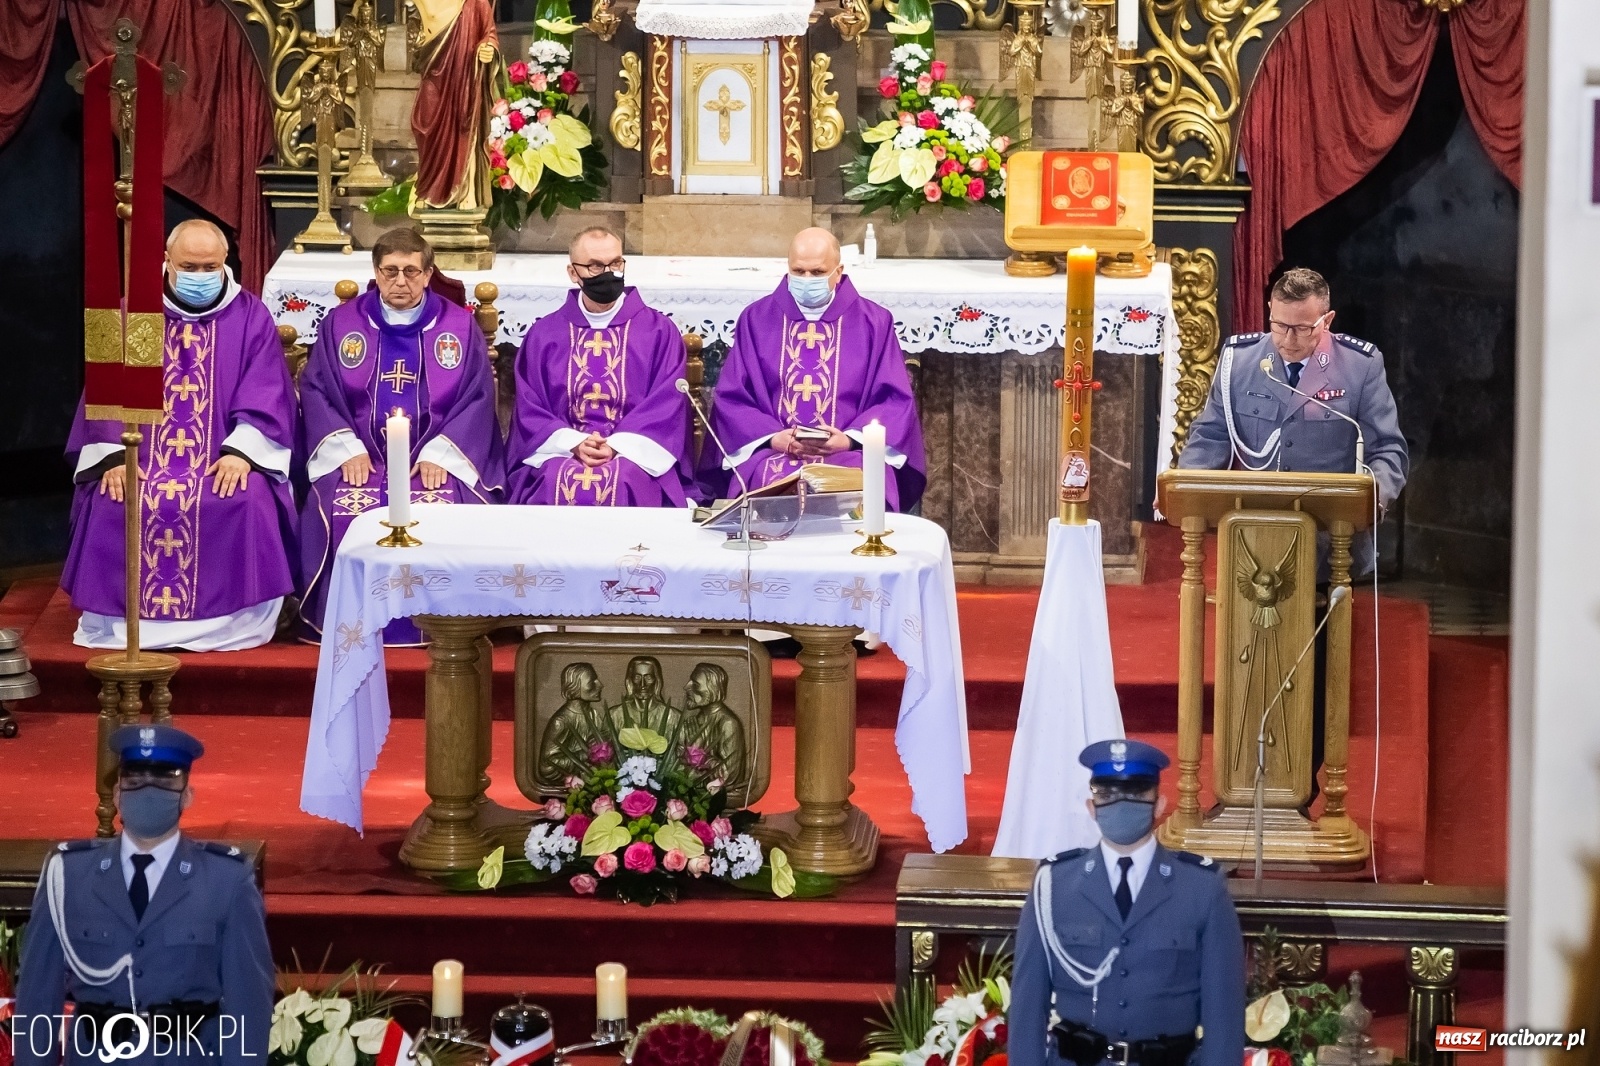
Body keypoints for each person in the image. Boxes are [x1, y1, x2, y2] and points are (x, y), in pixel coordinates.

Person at [60, 220, 298, 652]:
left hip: (220, 456)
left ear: (226, 262)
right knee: (114, 499)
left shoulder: (250, 316)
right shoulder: (134, 314)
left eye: (211, 267)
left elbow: (266, 390)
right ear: (166, 261)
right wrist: (114, 458)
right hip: (142, 454)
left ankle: (233, 621)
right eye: (190, 265)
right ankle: (121, 623)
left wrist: (243, 452)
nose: (201, 277)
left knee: (247, 498)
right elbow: (105, 388)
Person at [13, 725, 273, 1066]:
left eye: (164, 783)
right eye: (134, 782)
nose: (148, 791)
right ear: (117, 795)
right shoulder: (69, 874)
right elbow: (37, 996)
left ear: (187, 796)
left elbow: (248, 1004)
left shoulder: (226, 879)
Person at [297, 228, 504, 645]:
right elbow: (316, 390)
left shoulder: (458, 328)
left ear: (428, 274)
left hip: (433, 459)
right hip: (360, 458)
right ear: (376, 272)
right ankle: (350, 622)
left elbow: (479, 399)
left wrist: (442, 455)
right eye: (390, 271)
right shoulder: (342, 324)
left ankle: (447, 623)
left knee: (451, 510)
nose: (401, 282)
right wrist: (344, 449)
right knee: (338, 503)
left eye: (411, 271)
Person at [1010, 740, 1244, 1066]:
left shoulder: (1201, 888)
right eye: (1107, 795)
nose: (1121, 803)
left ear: (1159, 804)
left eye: (1136, 794)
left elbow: (1224, 1015)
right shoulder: (1053, 885)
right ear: (1091, 807)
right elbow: (1026, 1006)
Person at [1178, 267, 1408, 579]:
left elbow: (1388, 450)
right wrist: (1185, 489)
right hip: (1251, 540)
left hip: (1332, 546)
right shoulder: (1239, 360)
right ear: (1270, 310)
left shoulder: (1360, 365)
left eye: (1302, 328)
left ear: (1326, 321)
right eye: (1279, 325)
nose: (1288, 339)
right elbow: (1212, 435)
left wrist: (1370, 501)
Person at [704, 227, 926, 510]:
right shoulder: (756, 319)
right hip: (776, 452)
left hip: (849, 454)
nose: (806, 280)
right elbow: (733, 398)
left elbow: (893, 401)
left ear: (839, 271)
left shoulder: (874, 322)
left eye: (818, 273)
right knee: (759, 478)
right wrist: (773, 437)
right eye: (798, 271)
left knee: (869, 480)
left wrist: (849, 440)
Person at [507, 227, 693, 506]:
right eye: (595, 266)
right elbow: (529, 408)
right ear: (573, 273)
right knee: (553, 478)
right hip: (561, 453)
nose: (608, 273)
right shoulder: (545, 335)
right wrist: (571, 443)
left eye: (615, 263)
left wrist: (616, 446)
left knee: (625, 478)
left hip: (634, 456)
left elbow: (666, 406)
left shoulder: (659, 332)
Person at [538, 663, 613, 785]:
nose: (600, 685)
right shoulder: (561, 721)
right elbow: (546, 767)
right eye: (591, 682)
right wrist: (587, 754)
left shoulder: (594, 714)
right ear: (574, 687)